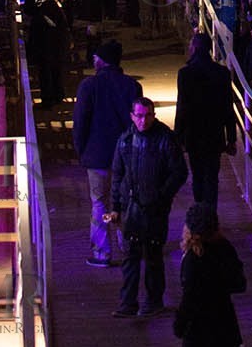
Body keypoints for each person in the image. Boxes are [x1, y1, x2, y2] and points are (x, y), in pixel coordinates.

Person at [109, 96, 188, 317]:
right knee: (131, 256)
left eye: (148, 116)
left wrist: (162, 196)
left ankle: (153, 301)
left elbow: (179, 172)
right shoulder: (125, 140)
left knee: (152, 254)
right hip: (132, 206)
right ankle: (129, 303)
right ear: (132, 116)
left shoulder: (165, 139)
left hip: (155, 207)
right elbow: (118, 174)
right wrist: (116, 206)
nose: (144, 121)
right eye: (140, 116)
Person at [72, 39, 143, 267]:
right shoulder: (132, 86)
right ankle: (129, 247)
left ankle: (102, 251)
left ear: (101, 61)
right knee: (123, 201)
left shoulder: (89, 86)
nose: (93, 61)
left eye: (95, 58)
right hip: (126, 156)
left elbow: (80, 123)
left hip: (97, 156)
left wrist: (81, 150)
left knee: (99, 202)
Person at [173, 202, 246, 347]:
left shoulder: (193, 259)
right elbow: (239, 283)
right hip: (221, 324)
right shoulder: (224, 248)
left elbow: (189, 298)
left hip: (198, 331)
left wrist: (179, 325)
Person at [174, 31, 237, 211]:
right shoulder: (222, 73)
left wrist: (178, 137)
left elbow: (183, 107)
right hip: (214, 133)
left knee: (198, 175)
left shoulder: (185, 74)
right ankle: (210, 215)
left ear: (194, 48)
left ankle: (200, 212)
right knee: (212, 176)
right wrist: (231, 138)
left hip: (193, 133)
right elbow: (228, 108)